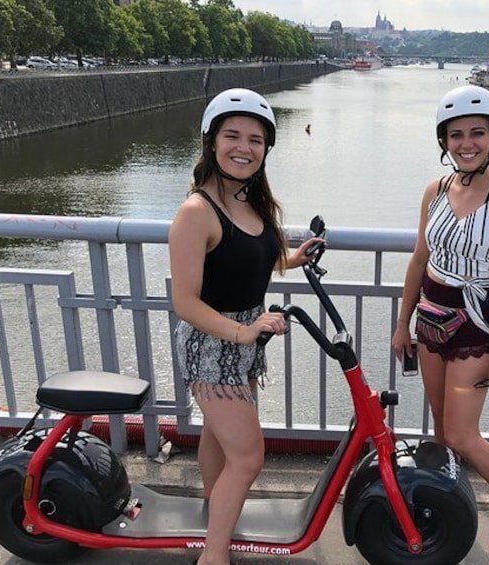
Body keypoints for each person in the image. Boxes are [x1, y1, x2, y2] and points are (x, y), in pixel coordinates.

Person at [169, 88, 320, 565]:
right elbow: (184, 301)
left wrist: (295, 257)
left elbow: (253, 258)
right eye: (232, 135)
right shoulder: (197, 212)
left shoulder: (250, 202)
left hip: (246, 340)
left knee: (220, 438)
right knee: (249, 457)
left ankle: (217, 512)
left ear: (266, 149)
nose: (244, 147)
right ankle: (213, 557)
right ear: (211, 142)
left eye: (256, 139)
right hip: (211, 346)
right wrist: (242, 331)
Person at [392, 85, 489, 563]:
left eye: (477, 133)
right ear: (444, 141)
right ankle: (446, 508)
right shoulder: (435, 190)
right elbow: (420, 259)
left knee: (461, 435)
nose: (466, 143)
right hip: (431, 318)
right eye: (456, 135)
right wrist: (402, 323)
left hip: (475, 324)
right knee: (441, 432)